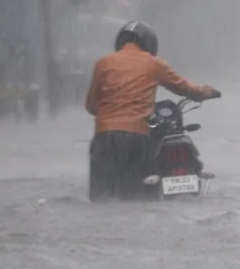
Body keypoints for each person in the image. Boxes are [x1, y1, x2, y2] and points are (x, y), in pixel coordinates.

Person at [84, 22, 220, 201]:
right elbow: (185, 88)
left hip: (105, 138)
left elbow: (91, 105)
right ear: (149, 43)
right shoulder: (154, 64)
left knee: (101, 199)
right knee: (138, 199)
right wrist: (206, 92)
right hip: (137, 139)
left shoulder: (103, 63)